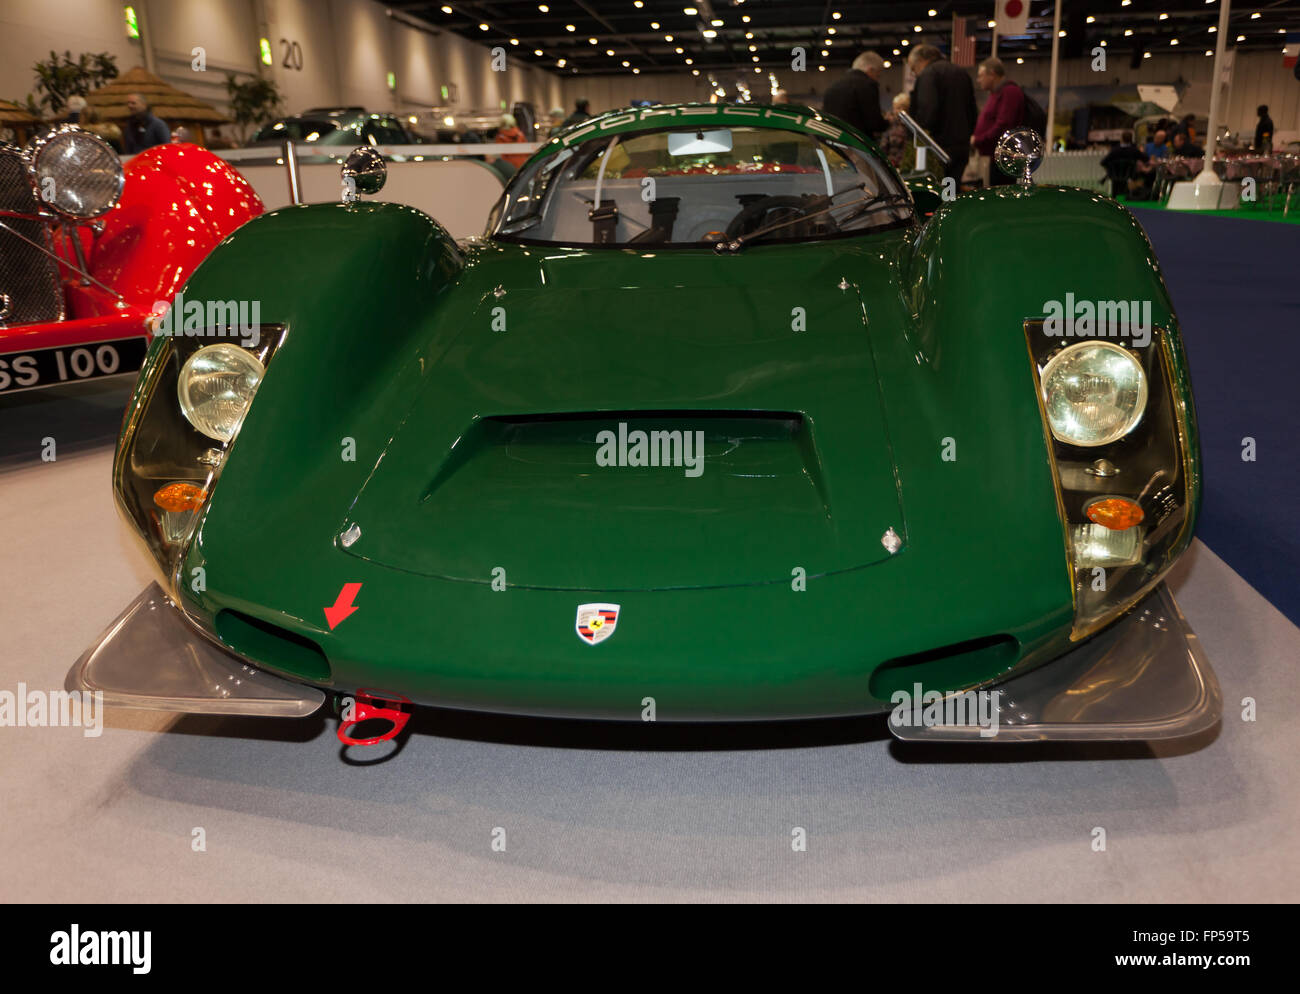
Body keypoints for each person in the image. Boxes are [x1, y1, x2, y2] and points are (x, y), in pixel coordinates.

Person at [907, 43, 977, 184]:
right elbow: (972, 110)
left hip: (938, 148)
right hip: (961, 146)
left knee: (936, 191)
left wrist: (919, 135)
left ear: (921, 60)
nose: (914, 73)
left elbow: (928, 111)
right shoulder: (962, 73)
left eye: (913, 68)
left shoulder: (928, 74)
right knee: (952, 190)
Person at [971, 57, 1025, 186]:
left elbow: (1003, 125)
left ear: (992, 75)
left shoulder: (1010, 92)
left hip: (1002, 159)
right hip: (993, 157)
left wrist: (979, 140)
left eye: (981, 76)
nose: (978, 80)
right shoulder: (997, 93)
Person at [822, 51, 888, 140]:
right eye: (878, 75)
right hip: (857, 144)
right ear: (870, 69)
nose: (877, 79)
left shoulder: (832, 86)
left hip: (833, 142)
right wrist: (887, 123)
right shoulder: (867, 85)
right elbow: (874, 123)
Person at [1100, 131, 1148, 199]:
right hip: (1131, 175)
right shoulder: (1134, 150)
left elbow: (1103, 162)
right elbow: (1146, 159)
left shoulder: (1115, 150)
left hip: (1115, 175)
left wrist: (1109, 170)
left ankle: (1115, 195)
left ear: (1122, 139)